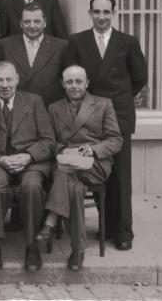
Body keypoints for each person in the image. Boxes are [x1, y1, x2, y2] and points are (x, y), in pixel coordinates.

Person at [63, 0, 147, 251]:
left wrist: (116, 102)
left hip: (118, 116)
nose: (101, 17)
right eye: (96, 12)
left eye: (106, 12)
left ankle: (122, 231)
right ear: (90, 13)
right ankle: (104, 226)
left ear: (114, 13)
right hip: (88, 117)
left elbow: (139, 77)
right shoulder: (77, 41)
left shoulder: (127, 42)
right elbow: (70, 77)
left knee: (120, 177)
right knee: (90, 169)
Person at [36, 65, 122, 271]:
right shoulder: (54, 108)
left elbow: (116, 140)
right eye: (69, 82)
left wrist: (91, 150)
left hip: (95, 163)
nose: (74, 86)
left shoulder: (103, 104)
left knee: (66, 174)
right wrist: (64, 151)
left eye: (78, 81)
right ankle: (78, 250)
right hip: (66, 161)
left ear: (87, 83)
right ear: (62, 84)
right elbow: (50, 141)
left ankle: (50, 220)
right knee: (74, 188)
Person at [0, 61, 55, 272]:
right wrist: (0, 159)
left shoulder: (34, 102)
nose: (5, 84)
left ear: (17, 79)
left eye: (9, 79)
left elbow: (48, 141)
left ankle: (32, 245)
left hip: (30, 163)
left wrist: (27, 157)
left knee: (31, 186)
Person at [0, 2, 67, 108]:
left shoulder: (61, 46)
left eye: (37, 21)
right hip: (15, 110)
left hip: (48, 110)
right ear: (21, 23)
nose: (32, 26)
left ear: (45, 22)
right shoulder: (5, 45)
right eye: (27, 22)